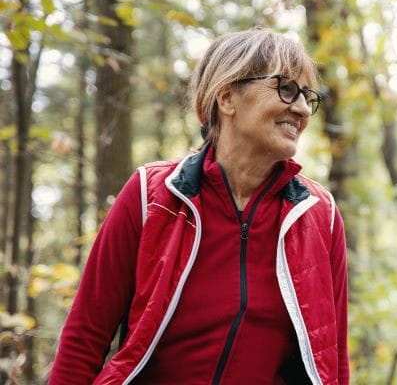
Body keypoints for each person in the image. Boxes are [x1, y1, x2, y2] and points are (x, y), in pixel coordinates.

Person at [50, 29, 349, 385]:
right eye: (286, 88)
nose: (301, 108)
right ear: (226, 97)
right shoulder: (151, 196)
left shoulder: (319, 215)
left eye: (307, 96)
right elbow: (84, 338)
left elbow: (332, 362)